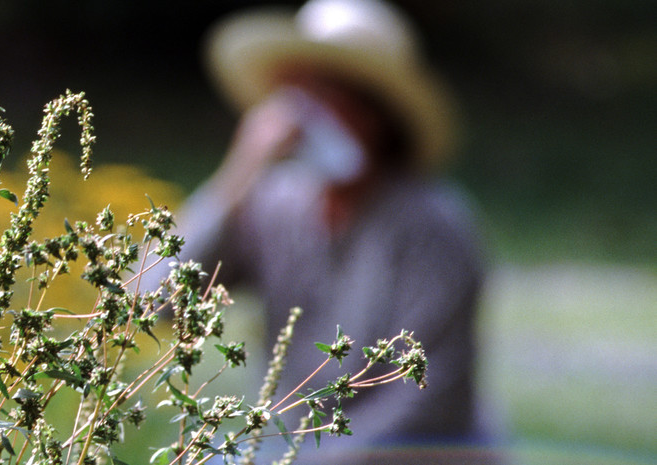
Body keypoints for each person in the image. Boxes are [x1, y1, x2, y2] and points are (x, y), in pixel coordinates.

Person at [150, 0, 503, 462]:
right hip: (286, 449)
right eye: (298, 96)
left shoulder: (435, 226)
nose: (308, 114)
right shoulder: (271, 204)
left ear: (376, 115)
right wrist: (237, 174)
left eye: (329, 94)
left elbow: (428, 400)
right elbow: (155, 302)